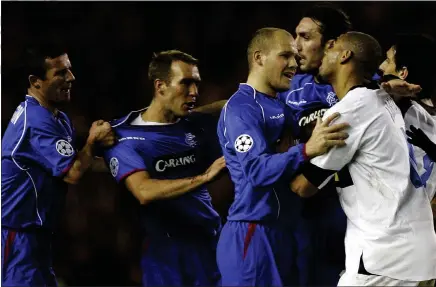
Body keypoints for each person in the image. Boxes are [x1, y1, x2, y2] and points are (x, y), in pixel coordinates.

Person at [290, 31, 436, 286]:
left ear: (346, 55)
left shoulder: (356, 107)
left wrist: (298, 151)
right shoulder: (410, 111)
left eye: (388, 60)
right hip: (420, 254)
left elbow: (302, 187)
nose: (381, 67)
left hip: (383, 256)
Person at [216, 27, 350, 286]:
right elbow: (255, 170)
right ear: (259, 58)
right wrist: (306, 149)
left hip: (285, 231)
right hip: (253, 231)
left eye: (294, 56)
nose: (294, 63)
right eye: (284, 56)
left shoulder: (279, 105)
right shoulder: (241, 109)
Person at [102, 50, 226, 286]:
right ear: (160, 86)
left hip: (211, 244)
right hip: (166, 257)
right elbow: (144, 191)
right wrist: (205, 177)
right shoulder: (123, 135)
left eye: (197, 84)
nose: (194, 92)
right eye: (186, 83)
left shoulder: (196, 123)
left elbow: (229, 106)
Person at [1, 45, 115, 286]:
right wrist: (93, 141)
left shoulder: (56, 117)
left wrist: (126, 165)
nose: (71, 78)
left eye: (69, 70)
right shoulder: (36, 120)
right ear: (36, 82)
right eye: (61, 73)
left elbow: (80, 162)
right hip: (15, 236)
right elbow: (73, 173)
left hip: (37, 237)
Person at [379, 34, 436, 197]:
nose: (382, 66)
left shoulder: (393, 107)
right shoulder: (430, 114)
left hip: (388, 215)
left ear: (403, 73)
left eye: (388, 60)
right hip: (419, 215)